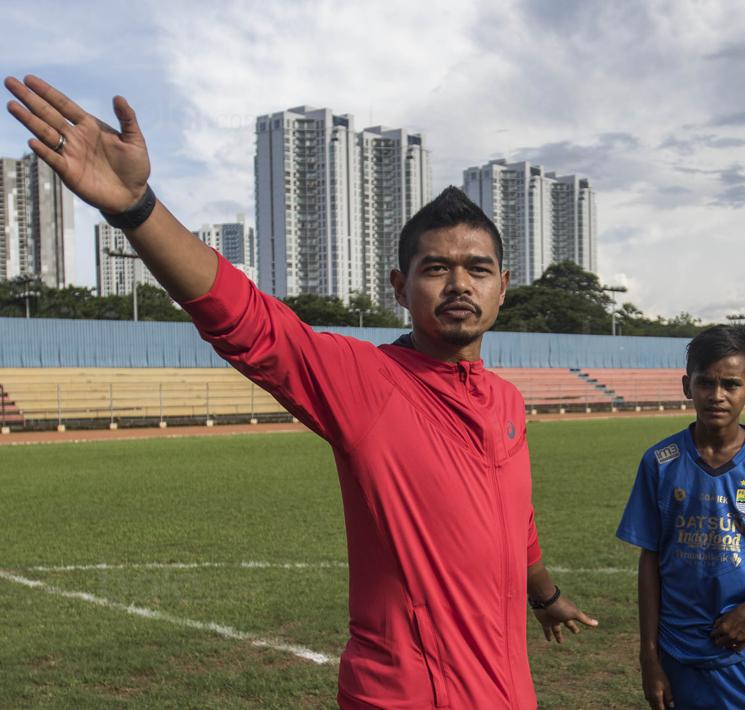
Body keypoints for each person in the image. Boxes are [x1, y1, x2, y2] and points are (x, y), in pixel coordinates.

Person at [4, 74, 597, 709]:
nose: (459, 283)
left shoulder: (504, 402)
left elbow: (516, 518)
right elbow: (251, 324)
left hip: (508, 693)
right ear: (400, 286)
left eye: (477, 269)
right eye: (436, 268)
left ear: (502, 286)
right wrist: (137, 208)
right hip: (409, 696)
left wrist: (544, 593)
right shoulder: (366, 382)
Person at [616, 326, 745, 710]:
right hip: (677, 648)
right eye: (705, 382)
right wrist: (649, 656)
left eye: (730, 384)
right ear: (686, 385)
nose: (717, 395)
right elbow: (650, 559)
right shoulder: (660, 463)